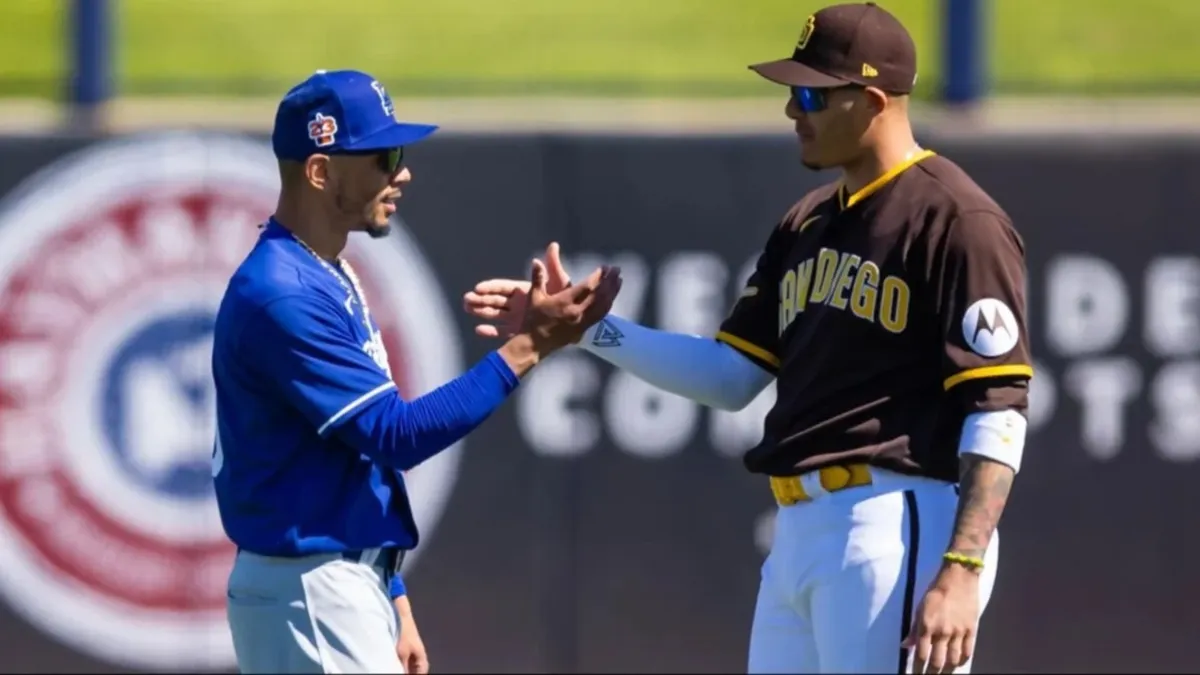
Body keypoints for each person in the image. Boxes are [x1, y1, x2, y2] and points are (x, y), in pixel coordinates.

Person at [461, 3, 1031, 673]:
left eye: (812, 93)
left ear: (872, 100)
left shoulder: (956, 218)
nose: (794, 110)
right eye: (792, 92)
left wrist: (962, 566)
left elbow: (998, 409)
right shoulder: (807, 221)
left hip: (896, 517)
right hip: (799, 532)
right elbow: (732, 376)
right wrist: (590, 332)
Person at [211, 69, 622, 674]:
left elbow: (357, 457)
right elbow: (394, 435)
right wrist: (532, 345)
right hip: (313, 592)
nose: (401, 172)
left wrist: (392, 595)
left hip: (334, 586)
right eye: (382, 156)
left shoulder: (321, 271)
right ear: (321, 172)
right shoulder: (283, 293)